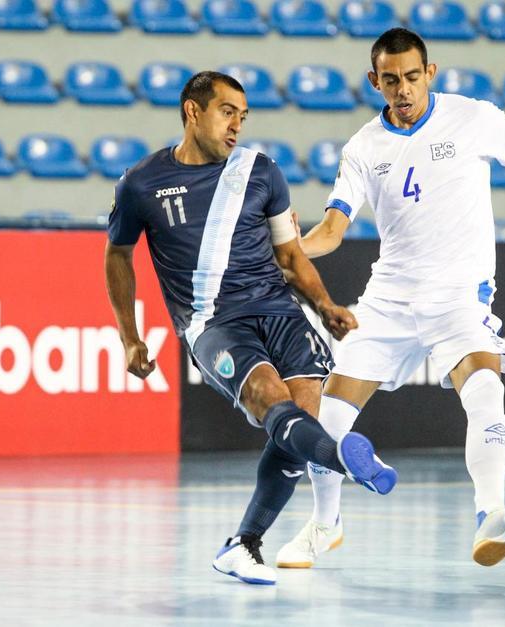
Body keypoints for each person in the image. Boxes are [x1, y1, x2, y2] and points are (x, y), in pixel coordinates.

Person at [275, 28, 505, 569]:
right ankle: (323, 525)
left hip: (458, 296)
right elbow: (333, 229)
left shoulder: (474, 118)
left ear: (431, 73)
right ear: (372, 81)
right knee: (329, 416)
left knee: (484, 390)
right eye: (390, 80)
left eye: (411, 77)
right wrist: (294, 247)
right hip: (389, 299)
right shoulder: (362, 148)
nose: (402, 90)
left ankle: (490, 518)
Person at [104, 71, 399, 586]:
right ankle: (343, 461)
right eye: (227, 111)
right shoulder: (141, 183)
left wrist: (326, 304)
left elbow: (289, 253)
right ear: (192, 112)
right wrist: (130, 336)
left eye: (243, 115)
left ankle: (243, 544)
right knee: (268, 399)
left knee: (301, 418)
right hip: (213, 322)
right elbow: (118, 256)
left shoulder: (262, 172)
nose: (237, 124)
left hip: (280, 310)